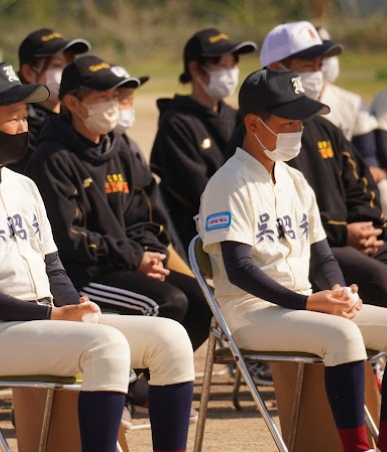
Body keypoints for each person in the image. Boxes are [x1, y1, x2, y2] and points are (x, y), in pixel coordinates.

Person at [0, 61, 195, 452]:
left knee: (169, 338)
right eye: (12, 117)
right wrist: (51, 316)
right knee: (105, 346)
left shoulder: (24, 186)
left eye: (24, 115)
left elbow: (53, 267)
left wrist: (75, 307)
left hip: (42, 323)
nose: (23, 126)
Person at [199, 66, 387, 452]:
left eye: (300, 123)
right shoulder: (227, 183)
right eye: (287, 123)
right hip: (248, 312)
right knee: (342, 335)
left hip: (300, 305)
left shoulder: (295, 180)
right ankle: (357, 448)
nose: (297, 131)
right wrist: (308, 303)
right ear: (253, 124)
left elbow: (322, 258)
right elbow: (239, 270)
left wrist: (339, 292)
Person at [26, 55, 212, 353]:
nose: (112, 104)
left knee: (204, 303)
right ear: (72, 103)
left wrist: (147, 255)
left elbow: (147, 216)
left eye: (114, 96)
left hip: (131, 263)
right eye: (101, 97)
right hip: (85, 273)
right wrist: (134, 258)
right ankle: (127, 375)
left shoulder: (121, 147)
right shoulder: (52, 157)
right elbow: (69, 237)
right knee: (168, 303)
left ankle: (152, 379)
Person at [227, 21, 387, 308]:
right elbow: (273, 214)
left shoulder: (325, 128)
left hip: (354, 242)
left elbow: (362, 184)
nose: (316, 73)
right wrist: (344, 233)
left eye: (319, 65)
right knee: (380, 278)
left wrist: (367, 228)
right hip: (309, 249)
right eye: (307, 65)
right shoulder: (258, 137)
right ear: (276, 68)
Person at [149, 28, 256, 252]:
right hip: (204, 236)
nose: (231, 72)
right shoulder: (176, 123)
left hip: (251, 224)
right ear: (196, 69)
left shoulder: (235, 116)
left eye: (233, 64)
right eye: (222, 65)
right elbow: (199, 193)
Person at [314, 26, 387, 214]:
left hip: (345, 177)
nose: (327, 61)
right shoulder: (281, 106)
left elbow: (367, 152)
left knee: (383, 190)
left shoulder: (351, 102)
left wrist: (371, 167)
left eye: (331, 54)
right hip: (307, 177)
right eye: (318, 55)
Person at [11, 28, 91, 173]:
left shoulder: (74, 117)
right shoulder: (21, 128)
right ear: (29, 73)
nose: (69, 73)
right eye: (57, 66)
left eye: (71, 64)